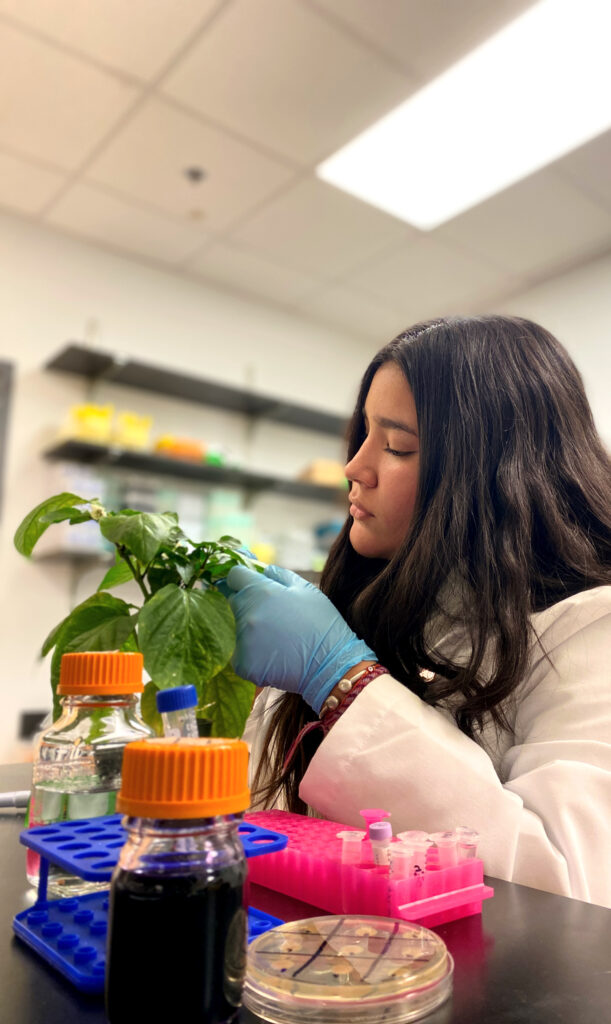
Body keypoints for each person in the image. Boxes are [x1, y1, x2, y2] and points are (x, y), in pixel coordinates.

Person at [226, 315, 611, 908]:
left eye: (397, 445)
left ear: (497, 474)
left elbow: (564, 886)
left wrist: (345, 682)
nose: (356, 468)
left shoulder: (591, 627)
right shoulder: (364, 601)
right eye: (363, 436)